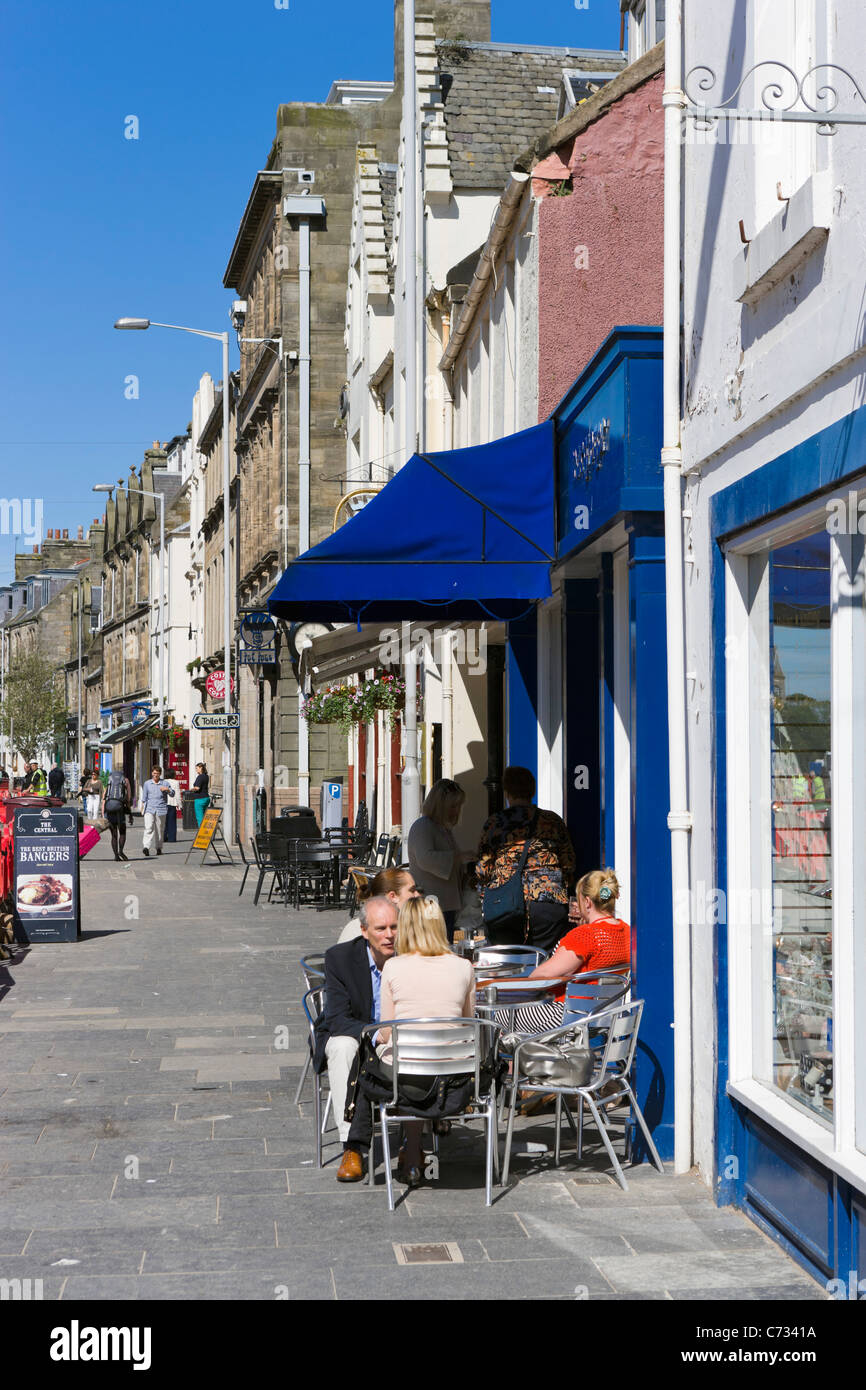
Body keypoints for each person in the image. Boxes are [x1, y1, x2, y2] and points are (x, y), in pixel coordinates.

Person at [342, 895, 476, 1186]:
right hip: (455, 1077)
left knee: (376, 1058)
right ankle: (417, 1148)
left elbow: (387, 1031)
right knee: (424, 1064)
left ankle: (369, 1149)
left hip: (407, 1076)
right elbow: (468, 1023)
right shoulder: (464, 966)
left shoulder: (394, 967)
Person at [314, 896, 398, 1183]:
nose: (389, 935)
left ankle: (422, 1130)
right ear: (364, 930)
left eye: (394, 927)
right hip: (355, 1032)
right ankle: (351, 1147)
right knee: (340, 1046)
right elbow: (337, 1019)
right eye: (381, 928)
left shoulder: (408, 957)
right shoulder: (340, 958)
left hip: (397, 1035)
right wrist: (376, 1034)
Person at [503, 868, 630, 1036]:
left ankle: (502, 1061)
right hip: (603, 1015)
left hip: (567, 1016)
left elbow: (543, 976)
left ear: (587, 902)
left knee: (500, 1014)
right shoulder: (626, 932)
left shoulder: (585, 936)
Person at [475, 765, 576, 953]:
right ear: (532, 790)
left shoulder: (495, 823)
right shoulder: (552, 821)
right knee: (543, 962)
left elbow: (482, 869)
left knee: (509, 963)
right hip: (547, 903)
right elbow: (568, 863)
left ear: (507, 792)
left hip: (503, 904)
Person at [407, 778, 467, 941]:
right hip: (431, 903)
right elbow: (425, 858)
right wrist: (458, 857)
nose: (456, 811)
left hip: (444, 902)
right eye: (452, 806)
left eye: (458, 806)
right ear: (440, 805)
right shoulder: (423, 826)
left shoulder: (441, 828)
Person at [337, 865, 422, 943]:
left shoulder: (413, 925)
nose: (418, 894)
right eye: (412, 890)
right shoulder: (355, 932)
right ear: (393, 896)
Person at [139, 765, 174, 857]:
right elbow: (144, 798)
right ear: (152, 773)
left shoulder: (165, 783)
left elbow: (173, 794)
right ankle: (146, 847)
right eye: (154, 773)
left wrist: (168, 790)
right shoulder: (147, 783)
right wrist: (142, 808)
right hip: (149, 809)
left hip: (161, 810)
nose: (155, 775)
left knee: (160, 830)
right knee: (148, 827)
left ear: (160, 774)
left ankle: (159, 847)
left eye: (157, 774)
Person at [102, 766, 133, 862]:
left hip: (109, 808)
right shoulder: (125, 780)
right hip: (120, 808)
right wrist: (130, 812)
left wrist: (103, 812)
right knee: (122, 831)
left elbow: (104, 796)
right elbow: (128, 798)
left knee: (113, 833)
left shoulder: (109, 780)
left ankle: (116, 856)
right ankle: (121, 851)